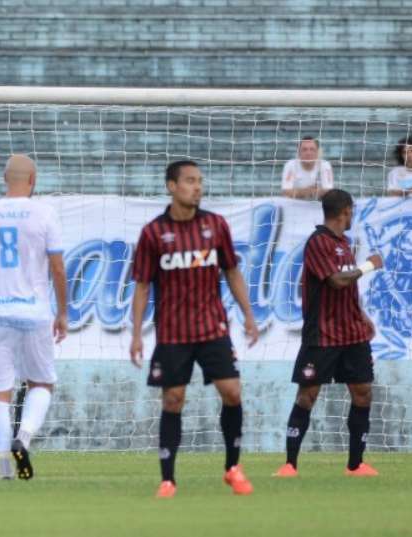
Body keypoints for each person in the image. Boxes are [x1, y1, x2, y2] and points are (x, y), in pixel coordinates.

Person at [129, 160, 259, 498]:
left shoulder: (215, 225)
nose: (197, 187)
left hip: (212, 328)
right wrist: (135, 335)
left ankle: (233, 467)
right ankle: (168, 480)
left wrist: (248, 314)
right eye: (189, 181)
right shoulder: (153, 233)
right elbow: (142, 286)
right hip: (173, 333)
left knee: (232, 391)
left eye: (199, 181)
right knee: (173, 400)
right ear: (172, 186)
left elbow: (231, 271)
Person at [0, 154, 68, 480]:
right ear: (33, 179)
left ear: (5, 180)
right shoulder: (45, 214)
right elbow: (57, 267)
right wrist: (62, 312)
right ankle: (22, 440)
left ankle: (4, 467)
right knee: (42, 383)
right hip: (34, 313)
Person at [274, 189, 384, 478]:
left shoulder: (344, 243)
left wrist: (361, 316)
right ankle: (289, 464)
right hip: (322, 335)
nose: (353, 216)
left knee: (363, 393)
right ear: (345, 211)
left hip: (353, 335)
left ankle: (355, 465)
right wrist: (369, 265)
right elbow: (336, 281)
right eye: (352, 211)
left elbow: (347, 288)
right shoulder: (318, 242)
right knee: (307, 395)